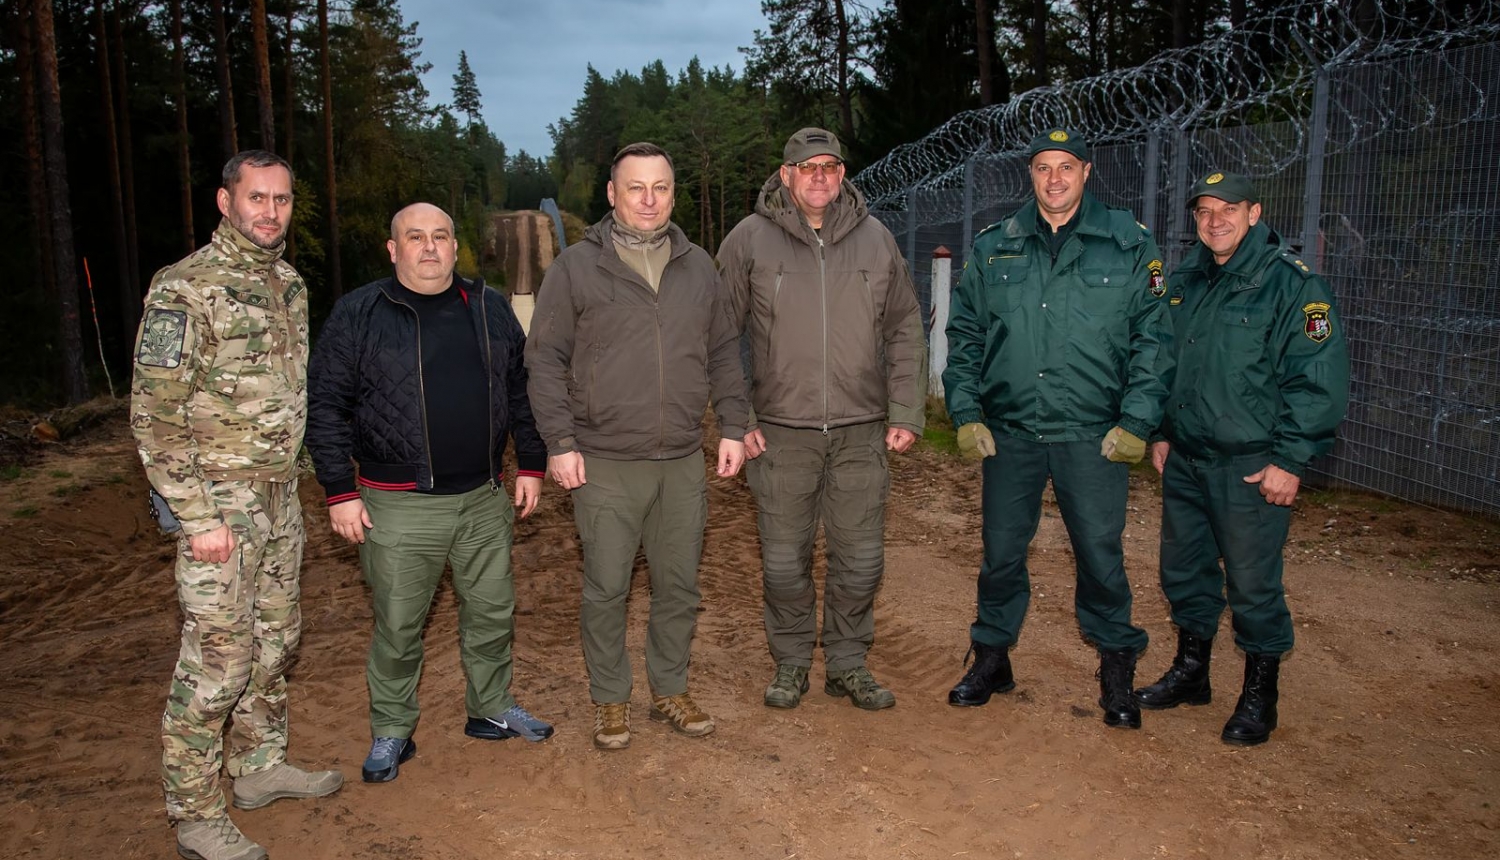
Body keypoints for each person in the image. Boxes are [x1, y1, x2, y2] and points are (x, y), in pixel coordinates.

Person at [131, 150, 341, 860]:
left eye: (281, 200)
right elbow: (155, 416)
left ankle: (258, 767)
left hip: (280, 501)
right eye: (256, 198)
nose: (269, 212)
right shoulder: (185, 289)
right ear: (225, 201)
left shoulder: (288, 284)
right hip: (218, 504)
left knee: (276, 644)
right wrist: (195, 517)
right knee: (217, 662)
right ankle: (193, 811)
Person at [306, 202, 551, 783]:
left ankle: (490, 708)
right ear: (393, 249)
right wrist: (340, 491)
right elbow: (325, 406)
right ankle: (392, 729)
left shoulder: (489, 308)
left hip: (486, 499)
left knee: (492, 614)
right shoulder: (359, 313)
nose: (430, 247)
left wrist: (531, 464)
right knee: (398, 625)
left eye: (440, 235)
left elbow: (522, 392)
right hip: (396, 505)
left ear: (455, 245)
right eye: (415, 237)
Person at [942, 128, 1174, 729]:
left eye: (1065, 167)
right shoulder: (997, 246)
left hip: (1093, 434)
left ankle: (1116, 668)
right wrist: (965, 411)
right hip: (1011, 431)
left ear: (1086, 172)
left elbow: (1155, 341)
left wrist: (1137, 422)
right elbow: (963, 335)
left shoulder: (1127, 245)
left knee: (1100, 554)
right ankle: (992, 657)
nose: (1054, 179)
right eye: (1043, 168)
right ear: (1031, 174)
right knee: (1000, 553)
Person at [525, 142, 750, 751]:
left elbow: (725, 351)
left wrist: (733, 424)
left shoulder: (699, 265)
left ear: (674, 195)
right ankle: (610, 700)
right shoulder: (575, 268)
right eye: (635, 187)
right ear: (611, 194)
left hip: (680, 459)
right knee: (606, 587)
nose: (649, 200)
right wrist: (560, 441)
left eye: (660, 188)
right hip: (603, 461)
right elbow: (544, 361)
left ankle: (669, 689)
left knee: (679, 586)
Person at [1134, 171, 1350, 746]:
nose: (1215, 220)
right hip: (1186, 459)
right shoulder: (1186, 280)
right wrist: (1160, 429)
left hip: (1251, 466)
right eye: (1204, 210)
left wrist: (1292, 459)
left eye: (1228, 208)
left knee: (1253, 586)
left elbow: (1317, 380)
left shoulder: (1291, 286)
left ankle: (1260, 697)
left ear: (1254, 213)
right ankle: (1192, 672)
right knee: (1185, 574)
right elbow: (1163, 360)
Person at [718, 127, 927, 711]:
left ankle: (847, 663)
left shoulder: (876, 240)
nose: (818, 177)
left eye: (829, 167)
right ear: (785, 176)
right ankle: (790, 662)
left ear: (842, 176)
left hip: (862, 430)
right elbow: (719, 337)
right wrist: (740, 418)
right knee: (784, 563)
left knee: (860, 562)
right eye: (806, 167)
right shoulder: (748, 241)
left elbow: (906, 327)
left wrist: (907, 409)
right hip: (780, 435)